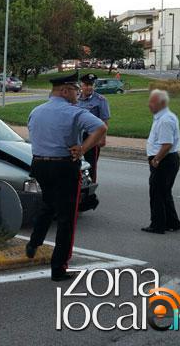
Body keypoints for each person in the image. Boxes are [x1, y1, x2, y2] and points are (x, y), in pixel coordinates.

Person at [25, 71, 107, 281]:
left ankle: (34, 242)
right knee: (66, 218)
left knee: (48, 205)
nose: (78, 94)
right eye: (75, 90)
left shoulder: (36, 111)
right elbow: (100, 127)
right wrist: (82, 148)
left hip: (39, 164)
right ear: (64, 91)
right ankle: (58, 267)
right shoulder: (74, 112)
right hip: (63, 166)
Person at [142, 89, 180, 234]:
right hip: (167, 159)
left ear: (162, 103)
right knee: (165, 192)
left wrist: (156, 159)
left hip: (163, 160)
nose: (149, 105)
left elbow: (167, 144)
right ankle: (172, 222)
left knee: (157, 193)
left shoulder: (165, 120)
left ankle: (158, 225)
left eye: (153, 102)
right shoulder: (163, 117)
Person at [76, 73, 110, 182]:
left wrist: (102, 138)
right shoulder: (76, 99)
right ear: (81, 86)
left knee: (91, 164)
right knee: (76, 162)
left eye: (91, 85)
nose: (89, 87)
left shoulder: (100, 100)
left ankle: (90, 187)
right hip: (77, 136)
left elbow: (104, 120)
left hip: (92, 136)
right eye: (86, 85)